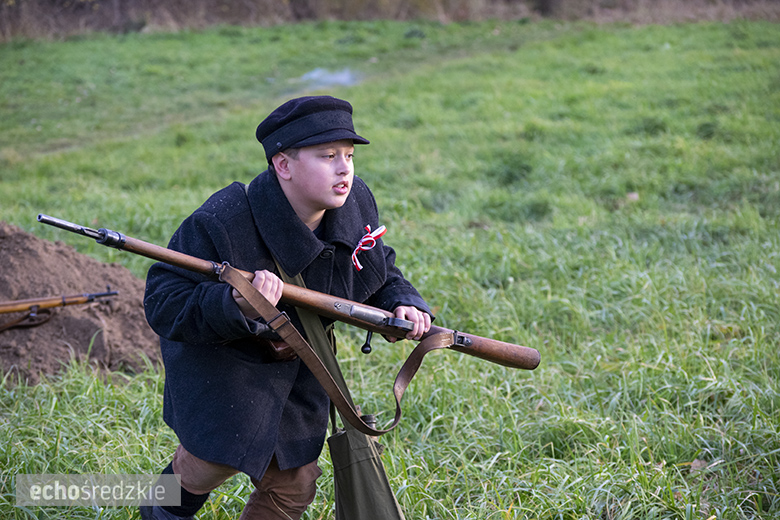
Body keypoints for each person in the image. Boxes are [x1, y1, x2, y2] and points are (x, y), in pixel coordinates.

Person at [140, 95, 433, 520]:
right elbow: (164, 301)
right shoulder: (223, 219)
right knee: (203, 468)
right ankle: (156, 509)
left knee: (294, 484)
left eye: (349, 155)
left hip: (302, 367)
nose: (344, 168)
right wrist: (233, 302)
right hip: (227, 371)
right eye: (327, 155)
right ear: (283, 165)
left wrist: (401, 302)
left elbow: (375, 269)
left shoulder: (354, 203)